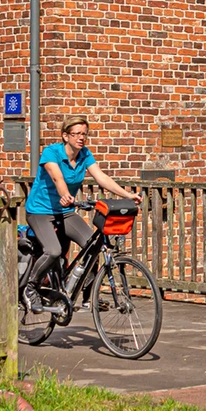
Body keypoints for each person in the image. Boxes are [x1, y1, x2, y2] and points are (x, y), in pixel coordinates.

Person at [22, 116, 143, 312]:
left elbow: (101, 177)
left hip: (66, 212)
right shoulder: (51, 152)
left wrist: (128, 194)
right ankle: (31, 288)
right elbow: (56, 176)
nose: (81, 138)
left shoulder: (85, 154)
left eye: (84, 134)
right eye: (76, 134)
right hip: (40, 211)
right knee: (53, 251)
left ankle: (88, 297)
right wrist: (65, 195)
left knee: (93, 246)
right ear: (65, 136)